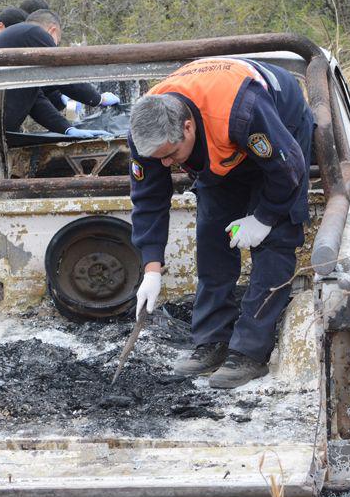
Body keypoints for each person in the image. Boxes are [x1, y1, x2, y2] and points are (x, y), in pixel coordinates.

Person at [129, 57, 313, 389]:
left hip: (278, 133)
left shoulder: (243, 108)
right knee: (213, 234)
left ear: (187, 127)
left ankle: (249, 353)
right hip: (221, 145)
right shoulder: (148, 132)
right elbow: (148, 199)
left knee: (275, 241)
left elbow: (289, 170)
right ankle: (212, 341)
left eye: (171, 155)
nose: (166, 164)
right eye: (159, 159)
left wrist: (264, 217)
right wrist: (151, 268)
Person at [0, 10, 114, 138]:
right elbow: (63, 75)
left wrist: (67, 129)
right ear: (53, 30)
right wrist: (99, 99)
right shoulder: (34, 33)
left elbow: (35, 101)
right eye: (57, 41)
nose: (54, 45)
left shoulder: (23, 42)